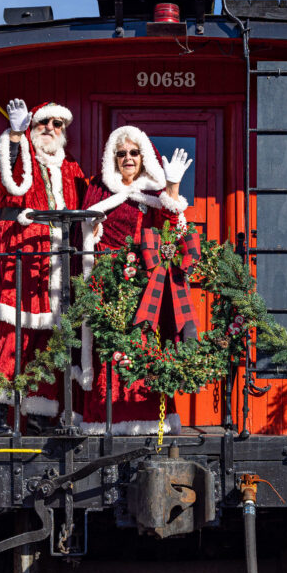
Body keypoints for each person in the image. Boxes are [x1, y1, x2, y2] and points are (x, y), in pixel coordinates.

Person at [77, 125, 193, 435]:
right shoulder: (99, 192)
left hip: (144, 286)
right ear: (112, 159)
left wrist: (172, 186)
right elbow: (87, 235)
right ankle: (104, 420)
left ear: (143, 157)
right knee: (108, 350)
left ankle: (147, 418)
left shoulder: (155, 192)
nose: (128, 158)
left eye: (133, 153)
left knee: (143, 347)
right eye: (121, 154)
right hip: (107, 285)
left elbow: (172, 230)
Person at [0, 98, 87, 433]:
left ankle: (40, 412)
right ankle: (1, 411)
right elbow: (6, 178)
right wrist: (15, 135)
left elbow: (89, 199)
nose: (51, 129)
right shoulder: (22, 154)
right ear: (33, 125)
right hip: (24, 255)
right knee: (14, 333)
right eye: (45, 122)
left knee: (50, 340)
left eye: (58, 124)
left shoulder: (70, 165)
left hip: (60, 259)